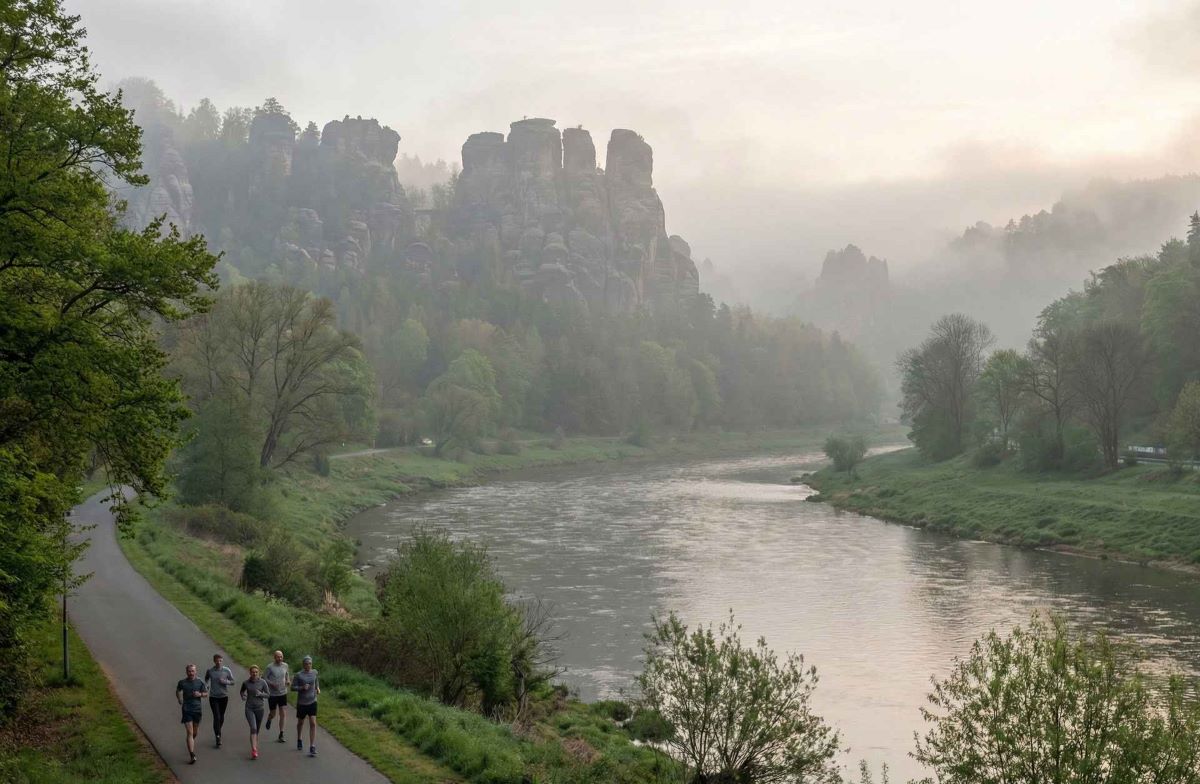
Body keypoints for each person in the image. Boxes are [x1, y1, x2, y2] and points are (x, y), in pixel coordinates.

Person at [176, 663, 209, 765]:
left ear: (196, 671)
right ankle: (192, 754)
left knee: (194, 733)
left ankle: (190, 741)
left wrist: (200, 694)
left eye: (192, 671)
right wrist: (180, 699)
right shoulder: (182, 682)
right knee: (190, 733)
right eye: (189, 671)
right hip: (187, 709)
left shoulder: (200, 682)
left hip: (197, 710)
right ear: (186, 672)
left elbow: (206, 693)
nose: (191, 673)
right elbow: (178, 691)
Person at [204, 653, 235, 748]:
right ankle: (218, 736)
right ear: (214, 661)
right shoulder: (210, 671)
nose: (219, 662)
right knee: (216, 716)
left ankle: (218, 730)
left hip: (224, 697)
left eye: (220, 660)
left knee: (221, 716)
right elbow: (206, 679)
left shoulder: (227, 670)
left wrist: (226, 682)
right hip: (213, 697)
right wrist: (207, 685)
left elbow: (233, 682)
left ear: (222, 660)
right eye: (217, 661)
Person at [291, 654, 320, 756]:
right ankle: (299, 738)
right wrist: (302, 687)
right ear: (303, 665)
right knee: (301, 723)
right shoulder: (299, 675)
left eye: (310, 663)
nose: (308, 665)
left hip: (313, 701)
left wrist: (317, 688)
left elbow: (316, 681)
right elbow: (292, 688)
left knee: (313, 723)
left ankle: (312, 746)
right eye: (306, 664)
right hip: (302, 703)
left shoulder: (315, 672)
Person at [240, 665, 270, 760]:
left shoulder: (263, 682)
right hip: (249, 708)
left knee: (257, 730)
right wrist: (243, 696)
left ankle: (254, 746)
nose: (254, 673)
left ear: (259, 673)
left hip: (259, 708)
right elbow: (242, 692)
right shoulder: (246, 683)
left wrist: (261, 694)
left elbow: (268, 695)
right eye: (253, 672)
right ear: (250, 673)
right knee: (253, 728)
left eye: (256, 672)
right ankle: (254, 750)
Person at [263, 649, 289, 744]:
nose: (280, 658)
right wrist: (272, 684)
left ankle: (281, 733)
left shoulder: (285, 665)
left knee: (283, 713)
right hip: (273, 694)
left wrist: (288, 681)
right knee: (273, 713)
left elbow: (286, 674)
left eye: (281, 657)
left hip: (282, 693)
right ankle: (269, 718)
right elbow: (264, 677)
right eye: (278, 657)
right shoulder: (270, 667)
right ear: (274, 657)